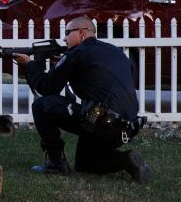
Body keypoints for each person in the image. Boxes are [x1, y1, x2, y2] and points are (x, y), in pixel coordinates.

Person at [12, 16, 152, 183]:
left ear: (81, 33)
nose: (64, 38)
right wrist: (68, 65)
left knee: (41, 106)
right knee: (85, 164)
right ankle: (126, 160)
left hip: (100, 121)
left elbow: (47, 88)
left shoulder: (77, 53)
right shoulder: (116, 52)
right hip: (126, 129)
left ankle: (56, 165)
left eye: (67, 33)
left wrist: (30, 65)